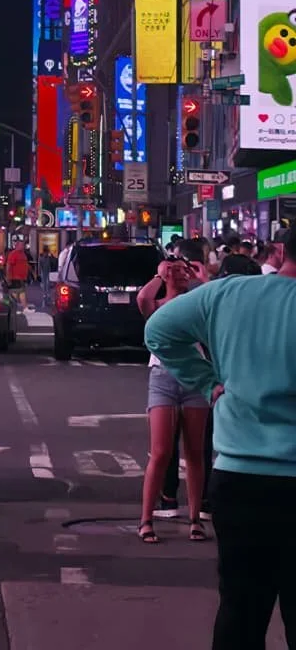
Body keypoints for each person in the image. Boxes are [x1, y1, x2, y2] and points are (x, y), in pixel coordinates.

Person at [145, 227, 296, 648]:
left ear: (280, 251)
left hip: (239, 476)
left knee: (241, 610)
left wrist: (206, 380)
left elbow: (158, 329)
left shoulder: (229, 294)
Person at [135, 250, 211, 544]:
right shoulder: (158, 305)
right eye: (174, 270)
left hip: (194, 379)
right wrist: (159, 274)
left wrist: (201, 278)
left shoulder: (195, 303)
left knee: (194, 451)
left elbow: (215, 305)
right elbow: (142, 300)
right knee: (162, 451)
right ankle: (146, 519)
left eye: (183, 271)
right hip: (163, 378)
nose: (179, 274)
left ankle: (194, 519)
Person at [5, 239, 30, 307]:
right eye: (21, 245)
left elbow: (25, 264)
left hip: (22, 277)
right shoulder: (13, 254)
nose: (23, 246)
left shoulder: (23, 254)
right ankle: (14, 307)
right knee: (15, 293)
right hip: (15, 277)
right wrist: (8, 277)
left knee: (21, 292)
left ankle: (24, 307)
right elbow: (8, 265)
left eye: (23, 245)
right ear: (17, 246)